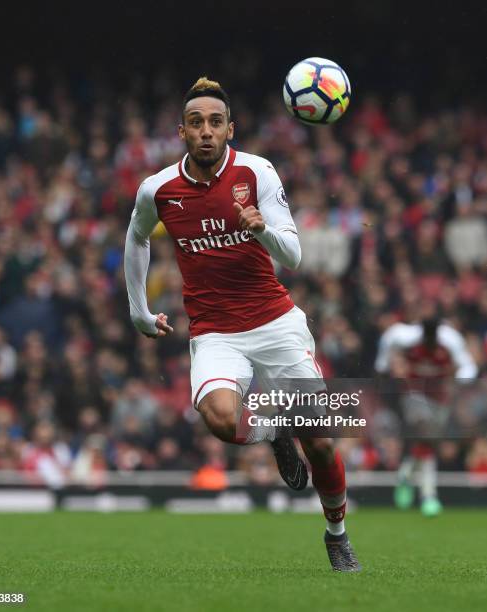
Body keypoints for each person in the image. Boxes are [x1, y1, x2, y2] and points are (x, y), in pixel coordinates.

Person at [124, 77, 360, 571]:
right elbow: (137, 238)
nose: (206, 131)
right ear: (181, 132)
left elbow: (293, 255)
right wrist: (139, 310)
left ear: (230, 128)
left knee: (318, 440)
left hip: (275, 322)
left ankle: (336, 534)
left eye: (215, 122)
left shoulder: (257, 172)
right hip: (215, 331)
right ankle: (276, 432)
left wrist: (262, 229)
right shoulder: (159, 189)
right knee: (220, 419)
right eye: (195, 123)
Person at [375, 315, 478, 516]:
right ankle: (429, 496)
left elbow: (457, 369)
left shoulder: (445, 351)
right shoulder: (413, 349)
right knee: (426, 438)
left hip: (438, 402)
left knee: (426, 446)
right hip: (415, 398)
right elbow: (396, 362)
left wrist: (454, 383)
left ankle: (405, 475)